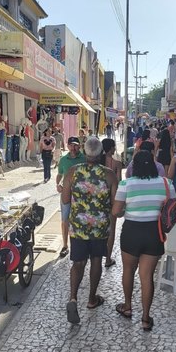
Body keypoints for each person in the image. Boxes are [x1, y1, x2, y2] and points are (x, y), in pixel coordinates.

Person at [113, 151, 175, 331]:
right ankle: (146, 318)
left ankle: (127, 307)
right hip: (154, 232)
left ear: (134, 167)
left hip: (132, 231)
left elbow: (116, 212)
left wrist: (127, 211)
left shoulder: (126, 184)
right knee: (147, 277)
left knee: (128, 270)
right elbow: (172, 207)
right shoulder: (166, 183)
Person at [62, 137, 117, 324]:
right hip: (99, 228)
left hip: (78, 227)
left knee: (77, 263)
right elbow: (115, 203)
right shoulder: (109, 175)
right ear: (101, 153)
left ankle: (72, 298)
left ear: (85, 153)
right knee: (96, 261)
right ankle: (92, 299)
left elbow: (65, 200)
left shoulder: (72, 173)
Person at [56, 136, 86, 257]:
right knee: (64, 219)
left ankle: (81, 243)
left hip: (81, 194)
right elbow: (59, 174)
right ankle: (65, 245)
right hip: (66, 193)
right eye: (71, 145)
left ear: (79, 146)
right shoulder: (63, 160)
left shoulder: (84, 158)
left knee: (81, 219)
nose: (73, 148)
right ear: (67, 146)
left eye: (75, 145)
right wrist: (57, 184)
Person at [100, 138, 123, 268]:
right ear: (111, 149)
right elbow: (119, 182)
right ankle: (108, 258)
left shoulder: (97, 163)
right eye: (114, 147)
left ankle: (95, 257)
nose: (115, 149)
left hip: (97, 201)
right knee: (111, 230)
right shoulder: (116, 164)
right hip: (111, 200)